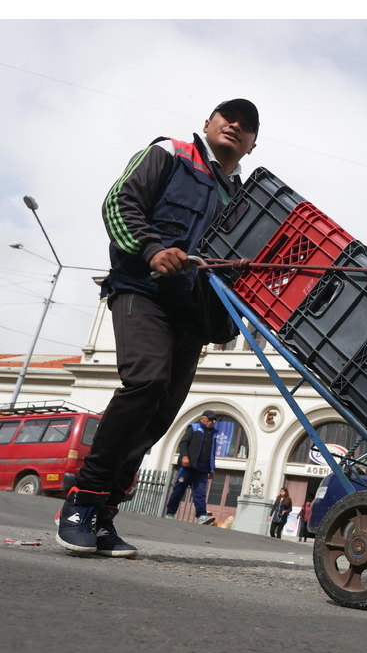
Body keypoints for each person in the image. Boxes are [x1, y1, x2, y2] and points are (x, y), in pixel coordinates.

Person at [55, 99, 259, 557]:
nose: (236, 126)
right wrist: (151, 250)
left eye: (246, 126)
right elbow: (119, 204)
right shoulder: (169, 153)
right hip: (141, 291)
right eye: (228, 117)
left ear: (252, 144)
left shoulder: (244, 202)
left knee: (161, 411)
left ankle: (104, 516)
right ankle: (80, 502)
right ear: (208, 123)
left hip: (193, 313)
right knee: (146, 381)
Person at [163, 410, 220, 524]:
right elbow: (183, 443)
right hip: (188, 467)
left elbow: (212, 453)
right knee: (178, 490)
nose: (211, 422)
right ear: (202, 419)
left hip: (202, 469)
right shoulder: (193, 428)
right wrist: (184, 456)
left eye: (212, 421)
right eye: (209, 420)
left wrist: (212, 468)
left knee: (200, 493)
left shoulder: (212, 434)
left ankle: (202, 515)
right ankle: (170, 513)